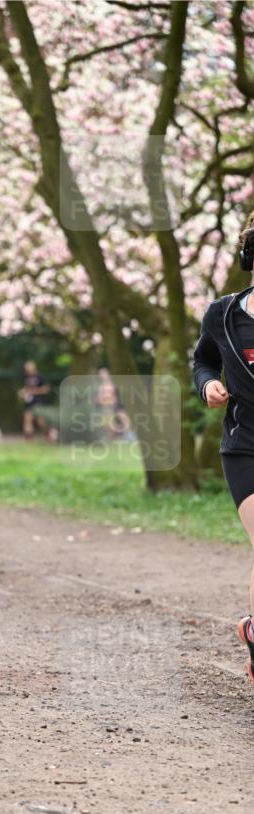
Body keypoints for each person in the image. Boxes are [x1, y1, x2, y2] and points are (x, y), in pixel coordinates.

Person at [193, 209, 254, 685]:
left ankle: (253, 633)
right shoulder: (225, 314)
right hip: (246, 446)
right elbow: (202, 362)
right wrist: (209, 384)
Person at [19, 360, 52, 440]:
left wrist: (34, 391)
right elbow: (25, 389)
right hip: (28, 402)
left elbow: (46, 389)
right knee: (27, 419)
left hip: (38, 402)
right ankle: (28, 439)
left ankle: (49, 434)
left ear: (34, 368)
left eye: (29, 369)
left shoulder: (40, 377)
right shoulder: (25, 377)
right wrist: (22, 392)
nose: (27, 371)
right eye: (26, 369)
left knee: (41, 421)